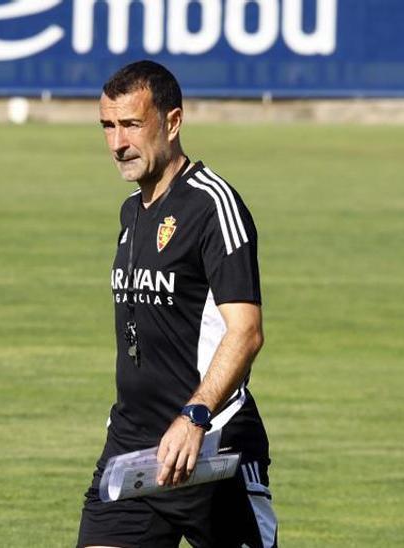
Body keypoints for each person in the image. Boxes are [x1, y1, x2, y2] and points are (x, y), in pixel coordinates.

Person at [77, 60, 278, 548]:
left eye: (130, 125)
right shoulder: (133, 212)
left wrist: (194, 417)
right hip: (133, 449)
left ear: (172, 122)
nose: (117, 143)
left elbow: (246, 331)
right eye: (108, 126)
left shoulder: (213, 205)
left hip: (209, 447)